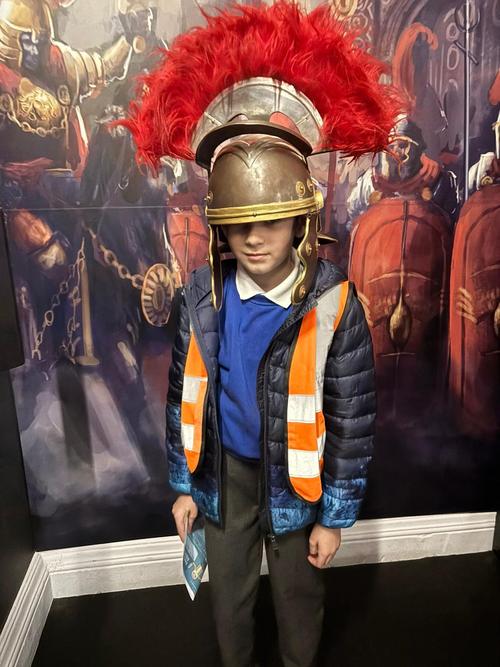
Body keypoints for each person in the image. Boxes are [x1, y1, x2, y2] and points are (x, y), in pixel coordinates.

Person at [121, 4, 402, 665]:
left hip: (298, 480)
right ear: (220, 224)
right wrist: (184, 484)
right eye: (239, 223)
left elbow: (353, 420)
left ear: (301, 218)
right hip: (226, 474)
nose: (253, 237)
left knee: (298, 598)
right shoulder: (201, 295)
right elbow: (182, 398)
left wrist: (335, 516)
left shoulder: (333, 301)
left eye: (271, 220)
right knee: (231, 600)